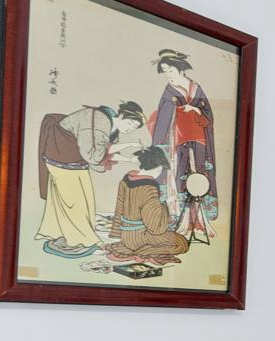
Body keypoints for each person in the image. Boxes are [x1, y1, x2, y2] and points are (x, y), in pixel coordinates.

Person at [33, 100, 141, 258]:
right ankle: (80, 241)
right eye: (130, 123)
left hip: (70, 160)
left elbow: (103, 149)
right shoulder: (99, 121)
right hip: (63, 158)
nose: (130, 128)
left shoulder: (108, 123)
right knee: (77, 203)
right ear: (122, 115)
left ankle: (61, 234)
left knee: (75, 201)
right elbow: (92, 154)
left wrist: (129, 156)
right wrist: (102, 165)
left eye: (134, 128)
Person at [148, 48, 216, 220]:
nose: (168, 75)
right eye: (165, 72)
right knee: (179, 175)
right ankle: (179, 217)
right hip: (177, 139)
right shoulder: (169, 91)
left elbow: (208, 114)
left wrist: (194, 109)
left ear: (181, 68)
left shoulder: (197, 89)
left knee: (199, 174)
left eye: (170, 70)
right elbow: (163, 120)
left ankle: (198, 218)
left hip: (199, 138)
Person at [99, 145, 190, 267]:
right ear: (157, 168)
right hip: (141, 236)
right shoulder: (149, 187)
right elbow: (155, 227)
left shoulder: (126, 180)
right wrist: (166, 204)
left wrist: (118, 233)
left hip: (126, 236)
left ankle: (133, 248)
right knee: (181, 243)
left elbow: (119, 208)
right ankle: (142, 252)